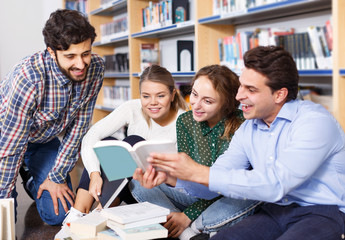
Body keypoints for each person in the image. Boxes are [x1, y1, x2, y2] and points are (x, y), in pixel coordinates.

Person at [146, 46, 345, 240]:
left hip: (323, 211)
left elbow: (276, 183)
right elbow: (217, 180)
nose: (239, 95)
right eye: (241, 85)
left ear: (279, 94)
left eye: (250, 89)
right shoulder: (249, 128)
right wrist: (172, 177)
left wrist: (198, 171)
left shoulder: (314, 121)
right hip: (275, 210)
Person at [130, 65, 260, 240]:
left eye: (207, 101)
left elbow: (227, 186)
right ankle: (187, 232)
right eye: (195, 94)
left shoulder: (243, 125)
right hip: (194, 194)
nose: (196, 105)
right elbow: (187, 180)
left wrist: (188, 215)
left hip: (224, 199)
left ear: (226, 104)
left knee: (249, 195)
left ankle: (194, 225)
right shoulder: (185, 121)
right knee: (138, 184)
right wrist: (165, 177)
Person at [0, 9, 104, 225]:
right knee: (5, 221)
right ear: (51, 51)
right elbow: (10, 149)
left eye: (85, 53)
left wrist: (55, 177)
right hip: (6, 143)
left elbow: (79, 128)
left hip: (41, 141)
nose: (81, 64)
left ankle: (30, 177)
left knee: (59, 214)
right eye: (70, 56)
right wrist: (5, 202)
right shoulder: (28, 78)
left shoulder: (95, 69)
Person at [61, 64, 188, 224]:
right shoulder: (132, 108)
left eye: (160, 96)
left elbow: (185, 175)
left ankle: (101, 213)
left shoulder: (185, 121)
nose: (152, 103)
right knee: (107, 143)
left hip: (157, 191)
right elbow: (91, 136)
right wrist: (94, 174)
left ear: (173, 94)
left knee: (134, 141)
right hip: (129, 186)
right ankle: (77, 214)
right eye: (146, 96)